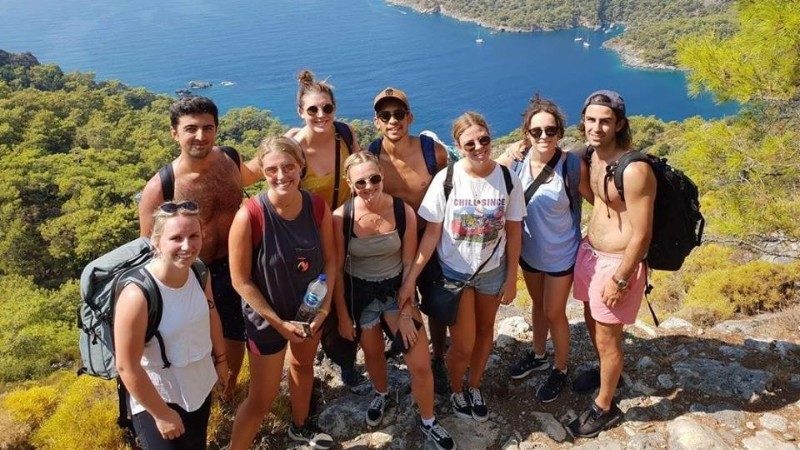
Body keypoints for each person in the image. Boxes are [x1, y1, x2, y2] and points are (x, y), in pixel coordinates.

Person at [399, 112, 525, 422]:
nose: (480, 147)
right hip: (455, 275)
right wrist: (410, 278)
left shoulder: (508, 178)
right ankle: (457, 389)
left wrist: (512, 278)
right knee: (464, 345)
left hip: (492, 273)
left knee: (486, 335)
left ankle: (475, 386)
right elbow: (430, 236)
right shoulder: (447, 179)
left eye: (484, 140)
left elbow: (513, 232)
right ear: (458, 145)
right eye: (470, 143)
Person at [138, 96, 262, 397]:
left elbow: (264, 169)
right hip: (194, 273)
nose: (200, 136)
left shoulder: (230, 160)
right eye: (191, 128)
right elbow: (148, 246)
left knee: (235, 336)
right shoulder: (162, 187)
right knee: (197, 342)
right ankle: (198, 398)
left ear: (217, 129)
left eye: (208, 128)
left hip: (238, 264)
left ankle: (227, 393)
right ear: (174, 133)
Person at [332, 152, 455, 450]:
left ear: (382, 176)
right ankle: (381, 392)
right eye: (360, 181)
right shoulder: (341, 218)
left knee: (420, 363)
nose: (369, 186)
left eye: (374, 178)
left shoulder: (403, 212)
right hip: (359, 295)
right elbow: (335, 269)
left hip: (395, 292)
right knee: (372, 353)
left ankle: (428, 420)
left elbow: (409, 266)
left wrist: (404, 313)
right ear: (349, 183)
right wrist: (343, 316)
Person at [227, 136, 335, 450]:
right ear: (262, 171)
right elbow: (241, 281)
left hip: (308, 313)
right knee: (262, 397)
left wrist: (325, 309)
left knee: (302, 366)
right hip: (266, 320)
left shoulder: (316, 206)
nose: (281, 175)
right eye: (271, 168)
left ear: (301, 165)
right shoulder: (249, 215)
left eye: (288, 166)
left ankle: (300, 427)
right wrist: (277, 323)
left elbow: (330, 259)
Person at [566, 90, 655, 438]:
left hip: (617, 262)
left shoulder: (635, 170)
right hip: (590, 253)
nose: (597, 127)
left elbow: (642, 234)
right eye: (591, 120)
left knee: (609, 337)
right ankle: (608, 373)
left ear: (619, 124)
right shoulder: (589, 156)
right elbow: (595, 198)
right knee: (591, 319)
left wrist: (621, 278)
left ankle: (604, 406)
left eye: (605, 121)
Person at [496, 96, 590, 402]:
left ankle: (560, 368)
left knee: (554, 311)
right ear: (526, 134)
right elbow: (484, 174)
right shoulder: (518, 164)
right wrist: (509, 151)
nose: (544, 137)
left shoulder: (571, 166)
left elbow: (597, 200)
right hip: (529, 253)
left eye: (551, 130)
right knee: (538, 306)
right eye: (536, 131)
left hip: (561, 254)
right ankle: (538, 354)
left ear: (560, 132)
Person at [115, 202, 229, 450]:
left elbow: (211, 314)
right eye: (176, 238)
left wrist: (221, 360)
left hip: (198, 389)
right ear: (156, 241)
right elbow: (126, 365)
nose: (187, 246)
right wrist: (161, 414)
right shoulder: (138, 294)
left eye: (193, 236)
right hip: (157, 398)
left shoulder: (199, 272)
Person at [367, 87, 451, 394]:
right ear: (377, 122)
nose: (393, 121)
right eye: (385, 115)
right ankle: (402, 345)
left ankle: (438, 358)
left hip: (431, 242)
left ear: (410, 117)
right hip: (392, 246)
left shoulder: (434, 152)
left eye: (399, 114)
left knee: (437, 305)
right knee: (395, 301)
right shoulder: (371, 157)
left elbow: (455, 189)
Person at [285, 70, 364, 389]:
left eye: (327, 108)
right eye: (313, 109)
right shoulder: (293, 147)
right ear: (301, 112)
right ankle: (309, 354)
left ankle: (345, 359)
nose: (321, 115)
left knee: (346, 293)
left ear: (335, 109)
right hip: (310, 237)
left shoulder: (344, 135)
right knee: (315, 295)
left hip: (346, 228)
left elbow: (360, 173)